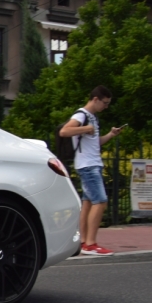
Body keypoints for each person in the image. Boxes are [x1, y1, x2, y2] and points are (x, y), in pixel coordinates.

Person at [58, 86, 123, 256]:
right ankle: (91, 244)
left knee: (88, 203)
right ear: (96, 99)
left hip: (91, 164)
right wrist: (85, 129)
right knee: (100, 201)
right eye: (105, 103)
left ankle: (82, 242)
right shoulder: (81, 115)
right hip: (88, 166)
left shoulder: (92, 118)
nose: (106, 107)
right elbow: (65, 131)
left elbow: (95, 143)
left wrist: (111, 135)